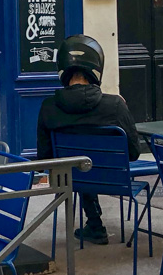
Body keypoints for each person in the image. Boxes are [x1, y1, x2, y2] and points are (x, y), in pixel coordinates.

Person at [36, 34, 141, 245]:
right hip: (111, 179)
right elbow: (134, 152)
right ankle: (94, 224)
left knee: (80, 164)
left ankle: (95, 224)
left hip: (68, 180)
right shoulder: (115, 106)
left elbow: (44, 158)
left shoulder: (49, 107)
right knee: (88, 163)